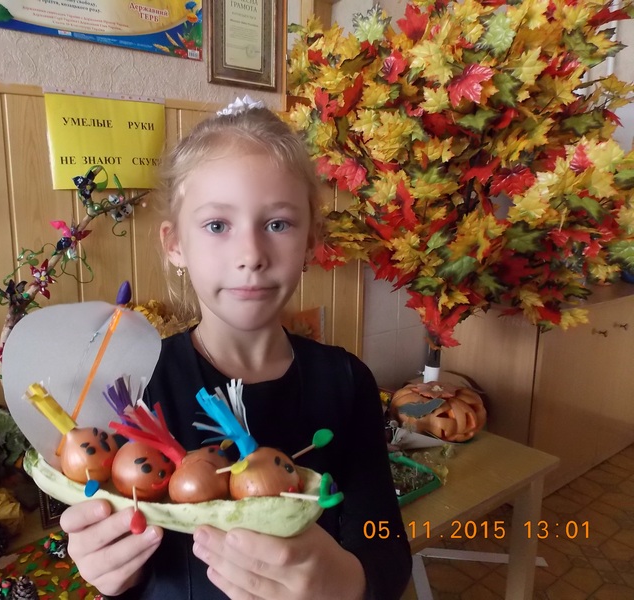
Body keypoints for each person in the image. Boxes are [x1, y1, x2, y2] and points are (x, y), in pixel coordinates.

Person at [60, 97, 412, 599]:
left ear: (310, 241)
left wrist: (348, 581)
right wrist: (113, 571)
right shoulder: (135, 389)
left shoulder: (347, 381)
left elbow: (385, 546)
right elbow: (122, 552)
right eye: (217, 225)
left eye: (278, 224)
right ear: (175, 244)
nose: (251, 255)